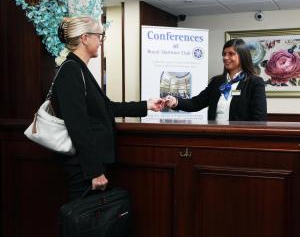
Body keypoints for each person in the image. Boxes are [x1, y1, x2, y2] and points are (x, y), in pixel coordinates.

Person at [52, 16, 164, 200]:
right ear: (85, 38)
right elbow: (78, 126)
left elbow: (107, 107)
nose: (100, 41)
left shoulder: (79, 68)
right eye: (99, 36)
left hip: (88, 165)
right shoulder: (71, 70)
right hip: (83, 168)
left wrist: (146, 105)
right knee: (84, 224)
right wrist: (94, 171)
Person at [164, 39, 267, 121]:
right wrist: (175, 102)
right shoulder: (216, 82)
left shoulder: (255, 82)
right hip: (215, 136)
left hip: (240, 139)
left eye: (231, 54)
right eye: (224, 54)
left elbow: (259, 118)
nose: (225, 57)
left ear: (243, 56)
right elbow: (196, 103)